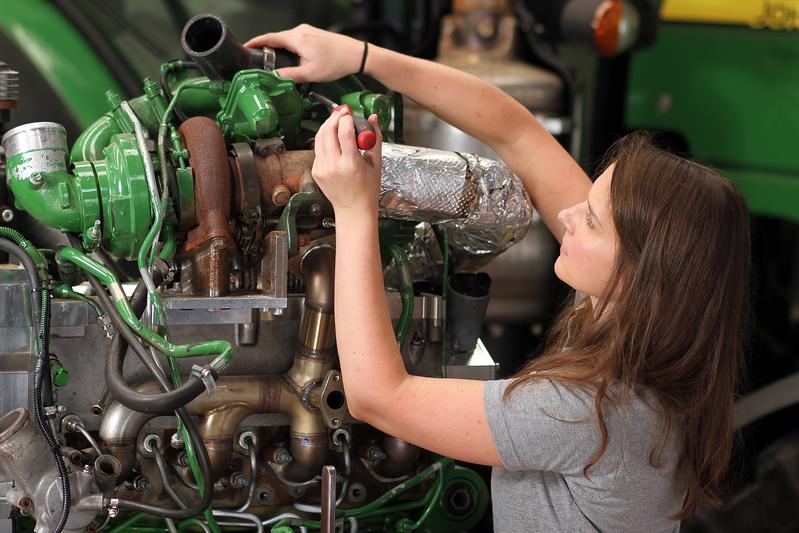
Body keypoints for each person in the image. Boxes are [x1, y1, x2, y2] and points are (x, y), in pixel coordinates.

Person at [245, 25, 751, 532]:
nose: (568, 214)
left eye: (592, 220)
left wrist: (355, 209)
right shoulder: (647, 335)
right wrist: (359, 54)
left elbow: (378, 398)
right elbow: (517, 133)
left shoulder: (590, 414)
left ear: (640, 274)